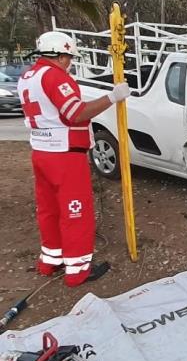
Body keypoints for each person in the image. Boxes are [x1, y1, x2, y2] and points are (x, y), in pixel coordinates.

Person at [18, 31, 131, 287]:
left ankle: (50, 260)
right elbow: (75, 113)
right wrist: (112, 97)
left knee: (49, 209)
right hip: (65, 156)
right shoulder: (55, 76)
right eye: (69, 57)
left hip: (42, 152)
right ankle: (78, 269)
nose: (70, 62)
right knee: (75, 210)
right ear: (61, 55)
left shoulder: (28, 76)